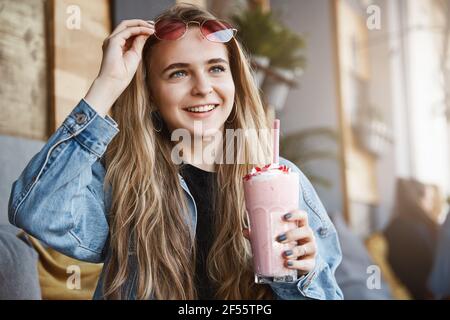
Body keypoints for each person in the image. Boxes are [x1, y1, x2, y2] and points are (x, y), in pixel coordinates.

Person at [8, 4, 342, 300]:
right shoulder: (122, 178)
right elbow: (35, 211)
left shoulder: (280, 178)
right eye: (178, 72)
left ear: (235, 81)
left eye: (215, 68)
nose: (202, 87)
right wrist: (107, 84)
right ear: (151, 93)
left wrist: (300, 276)